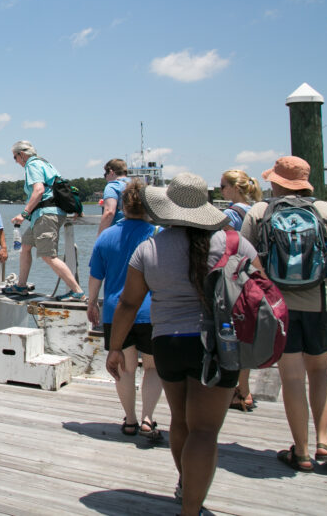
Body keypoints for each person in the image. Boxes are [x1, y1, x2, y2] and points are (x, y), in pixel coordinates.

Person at [107, 172, 255, 515]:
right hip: (219, 346)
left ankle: (185, 486)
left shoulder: (150, 248)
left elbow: (128, 303)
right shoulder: (235, 244)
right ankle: (192, 507)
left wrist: (115, 347)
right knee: (205, 431)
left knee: (180, 421)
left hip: (168, 344)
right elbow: (256, 294)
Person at [240, 156, 327, 471]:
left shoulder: (260, 212)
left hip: (279, 308)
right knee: (320, 371)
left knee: (291, 378)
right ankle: (324, 441)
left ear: (274, 182)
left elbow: (245, 260)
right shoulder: (326, 211)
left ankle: (301, 452)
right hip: (323, 304)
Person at [87, 179, 163, 440]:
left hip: (115, 311)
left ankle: (129, 420)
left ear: (122, 205)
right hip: (151, 310)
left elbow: (96, 275)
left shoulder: (106, 236)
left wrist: (91, 302)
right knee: (152, 368)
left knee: (124, 368)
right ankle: (148, 419)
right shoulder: (157, 234)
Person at [8, 141, 84, 300]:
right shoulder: (45, 164)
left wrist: (24, 214)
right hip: (42, 216)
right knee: (26, 245)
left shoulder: (32, 165)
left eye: (15, 158)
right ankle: (21, 285)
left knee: (48, 256)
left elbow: (39, 190)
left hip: (46, 215)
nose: (16, 162)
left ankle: (77, 291)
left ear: (22, 154)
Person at [219, 168, 264, 412]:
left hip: (235, 278)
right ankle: (244, 389)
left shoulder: (230, 214)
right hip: (256, 278)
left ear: (235, 188)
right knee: (246, 332)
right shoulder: (259, 210)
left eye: (223, 186)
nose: (221, 190)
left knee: (230, 332)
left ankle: (233, 389)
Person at [96, 158, 130, 236]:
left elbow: (109, 212)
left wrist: (100, 236)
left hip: (119, 233)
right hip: (138, 232)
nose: (105, 177)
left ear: (111, 172)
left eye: (105, 174)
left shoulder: (113, 186)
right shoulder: (136, 184)